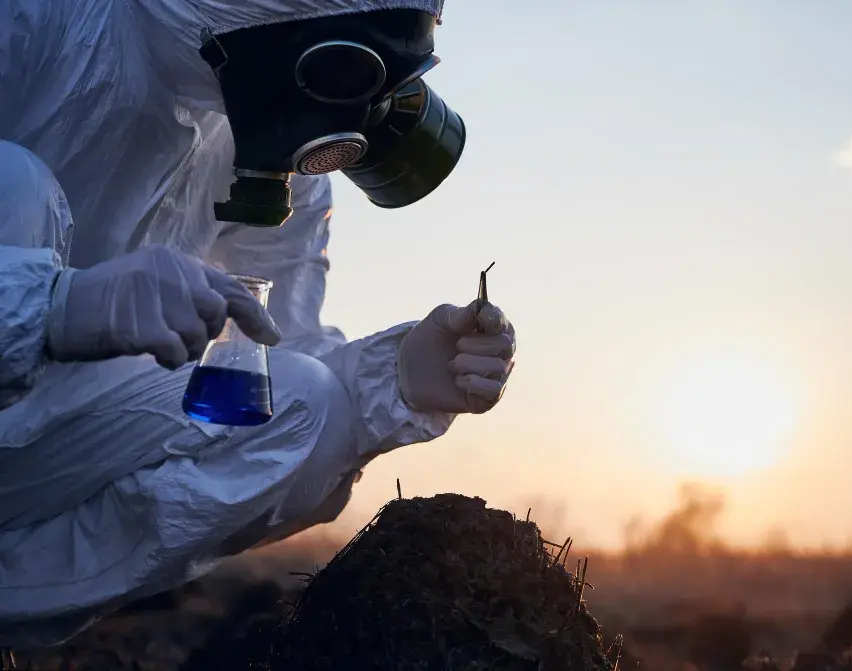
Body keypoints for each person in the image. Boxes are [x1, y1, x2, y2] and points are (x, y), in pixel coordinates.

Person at [0, 0, 516, 647]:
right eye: (349, 73)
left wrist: (397, 379)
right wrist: (55, 307)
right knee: (11, 186)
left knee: (312, 404)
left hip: (42, 456)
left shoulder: (279, 148)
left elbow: (278, 351)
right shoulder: (39, 24)